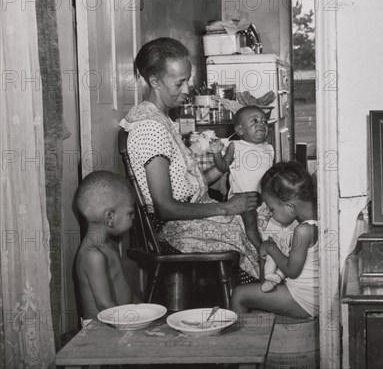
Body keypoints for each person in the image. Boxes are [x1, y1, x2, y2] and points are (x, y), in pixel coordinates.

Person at [119, 37, 261, 280]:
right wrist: (225, 207)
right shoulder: (149, 127)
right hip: (172, 230)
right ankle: (251, 297)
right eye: (179, 83)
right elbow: (165, 207)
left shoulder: (160, 118)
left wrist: (219, 170)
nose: (187, 90)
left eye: (188, 80)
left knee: (256, 215)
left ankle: (258, 293)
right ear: (154, 81)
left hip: (186, 216)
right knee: (244, 228)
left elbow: (182, 185)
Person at [231, 161, 319, 318]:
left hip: (303, 299)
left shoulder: (303, 230)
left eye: (272, 209)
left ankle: (244, 341)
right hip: (310, 294)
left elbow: (292, 271)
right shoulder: (319, 217)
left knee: (239, 294)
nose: (272, 215)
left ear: (290, 207)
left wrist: (272, 248)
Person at [73, 171, 138, 325]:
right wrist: (132, 323)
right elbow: (104, 305)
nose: (133, 217)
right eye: (130, 212)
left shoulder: (109, 245)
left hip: (116, 319)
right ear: (110, 217)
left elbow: (122, 287)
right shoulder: (93, 255)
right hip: (99, 327)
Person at [211, 105, 276, 257]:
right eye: (254, 121)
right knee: (251, 222)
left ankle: (276, 250)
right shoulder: (236, 146)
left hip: (264, 198)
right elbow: (222, 167)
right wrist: (216, 153)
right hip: (242, 198)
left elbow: (273, 175)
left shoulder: (269, 149)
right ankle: (261, 249)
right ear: (240, 130)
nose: (261, 124)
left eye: (264, 122)